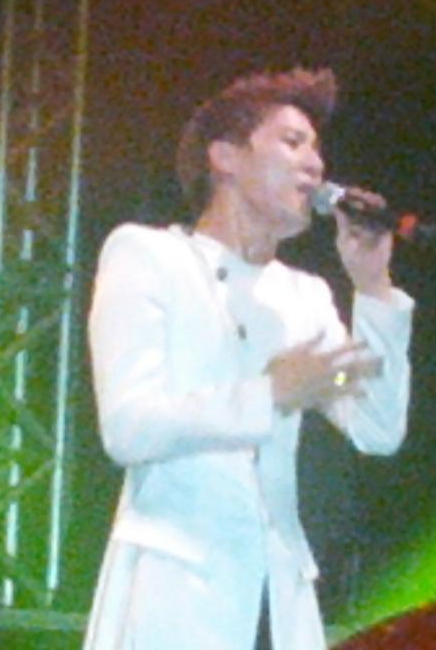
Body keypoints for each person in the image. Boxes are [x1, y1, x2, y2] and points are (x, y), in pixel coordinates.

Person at [82, 68, 415, 650]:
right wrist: (269, 395)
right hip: (180, 598)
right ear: (225, 157)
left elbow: (378, 428)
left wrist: (374, 288)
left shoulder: (304, 295)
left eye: (317, 149)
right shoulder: (148, 255)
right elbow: (128, 425)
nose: (315, 165)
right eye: (292, 142)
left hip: (278, 601)